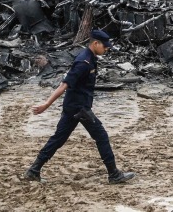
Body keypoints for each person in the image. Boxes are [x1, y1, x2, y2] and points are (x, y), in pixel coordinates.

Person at [22, 30, 135, 184]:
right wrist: (46, 104)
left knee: (58, 139)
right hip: (79, 109)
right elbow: (64, 85)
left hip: (74, 106)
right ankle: (114, 174)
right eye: (105, 46)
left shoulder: (90, 57)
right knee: (101, 136)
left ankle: (33, 170)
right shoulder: (83, 62)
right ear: (96, 43)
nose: (107, 49)